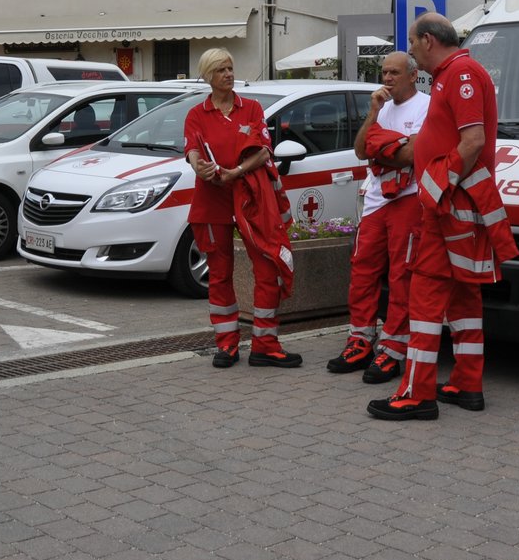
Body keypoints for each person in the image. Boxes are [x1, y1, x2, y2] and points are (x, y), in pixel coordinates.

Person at [368, 13, 517, 421]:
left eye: (413, 43)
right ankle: (467, 383)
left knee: (426, 297)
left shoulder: (462, 73)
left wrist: (434, 186)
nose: (412, 51)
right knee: (465, 297)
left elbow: (473, 141)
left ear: (429, 40)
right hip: (458, 205)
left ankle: (417, 393)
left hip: (447, 208)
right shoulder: (456, 73)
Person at [183, 48, 302, 369]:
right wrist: (200, 168)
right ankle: (227, 345)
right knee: (219, 275)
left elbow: (264, 151)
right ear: (208, 77)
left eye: (230, 68)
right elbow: (192, 149)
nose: (229, 74)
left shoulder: (250, 108)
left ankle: (265, 344)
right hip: (212, 198)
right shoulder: (196, 114)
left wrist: (235, 172)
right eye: (221, 70)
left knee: (267, 267)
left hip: (250, 197)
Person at [326, 50, 428, 378]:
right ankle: (361, 339)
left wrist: (381, 150)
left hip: (408, 198)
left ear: (413, 75)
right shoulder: (380, 109)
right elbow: (360, 150)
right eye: (384, 73)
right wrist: (374, 116)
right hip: (375, 200)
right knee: (363, 271)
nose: (387, 79)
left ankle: (394, 348)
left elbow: (414, 154)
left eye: (394, 73)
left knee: (401, 275)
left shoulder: (426, 106)